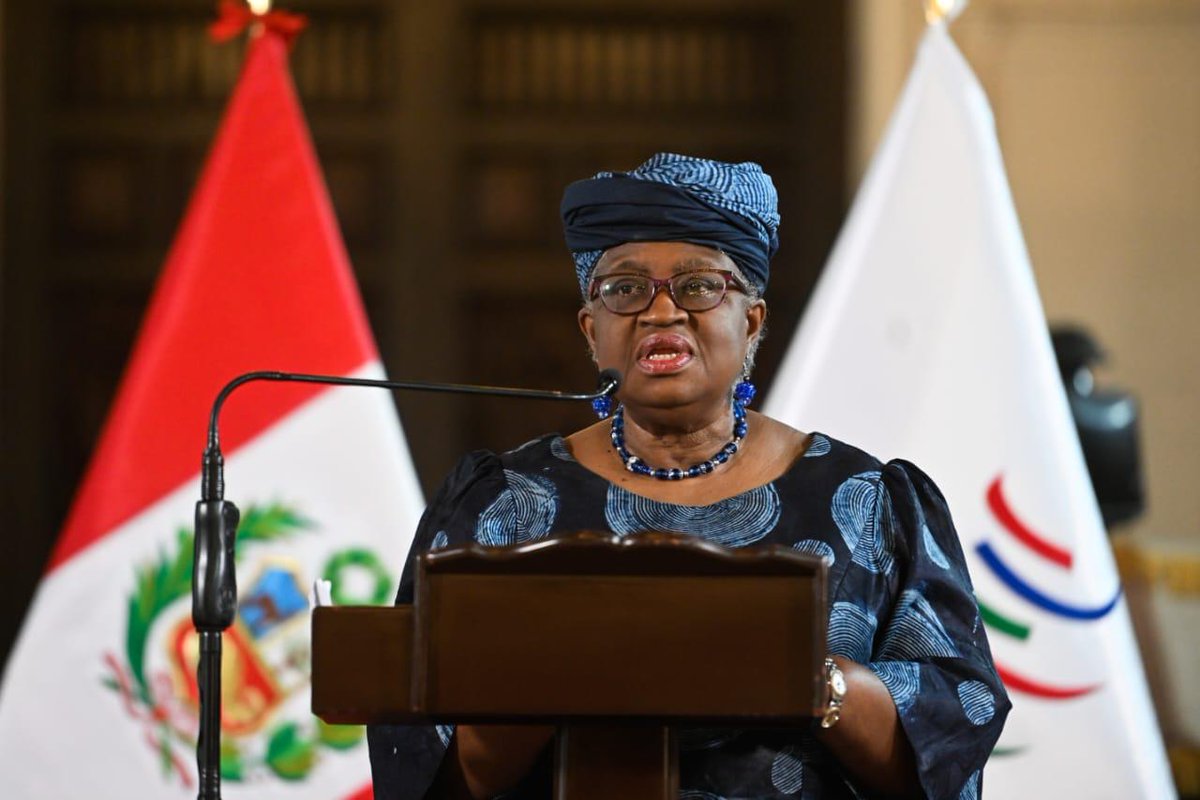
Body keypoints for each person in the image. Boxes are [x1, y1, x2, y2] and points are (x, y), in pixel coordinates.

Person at [368, 154, 1010, 799]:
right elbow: (424, 767)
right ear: (593, 332)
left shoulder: (872, 501)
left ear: (751, 321)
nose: (661, 311)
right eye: (625, 289)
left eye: (700, 285)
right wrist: (549, 674)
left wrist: (808, 676)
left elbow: (948, 738)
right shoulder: (498, 504)